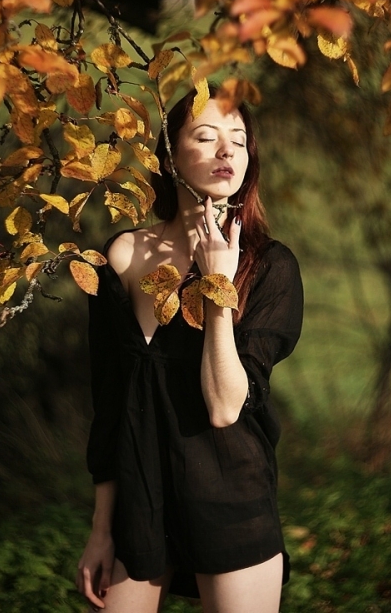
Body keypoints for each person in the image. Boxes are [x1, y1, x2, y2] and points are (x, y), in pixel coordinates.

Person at [76, 85, 303, 613]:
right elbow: (111, 402)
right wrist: (101, 529)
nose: (227, 152)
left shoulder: (270, 266)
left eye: (239, 141)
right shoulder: (125, 254)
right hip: (141, 498)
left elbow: (226, 408)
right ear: (169, 153)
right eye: (206, 136)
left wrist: (218, 286)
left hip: (229, 494)